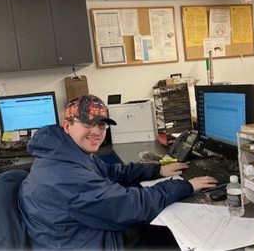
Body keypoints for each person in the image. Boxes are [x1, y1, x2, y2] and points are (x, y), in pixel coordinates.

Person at [18, 94, 218, 250]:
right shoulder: (66, 176)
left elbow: (110, 172)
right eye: (88, 123)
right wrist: (186, 185)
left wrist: (157, 169)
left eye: (102, 124)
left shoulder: (65, 153)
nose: (97, 131)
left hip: (74, 235)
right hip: (87, 243)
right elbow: (132, 206)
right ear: (67, 125)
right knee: (166, 231)